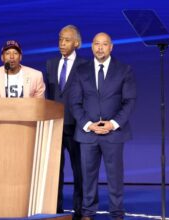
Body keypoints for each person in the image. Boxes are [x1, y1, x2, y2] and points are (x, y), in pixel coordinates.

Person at [69, 32, 137, 220]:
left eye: (104, 44)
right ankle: (88, 212)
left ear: (111, 47)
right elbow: (75, 102)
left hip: (113, 133)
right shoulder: (81, 71)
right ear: (92, 47)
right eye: (97, 44)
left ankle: (116, 213)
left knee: (115, 177)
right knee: (87, 177)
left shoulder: (124, 70)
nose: (100, 48)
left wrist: (113, 124)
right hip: (88, 133)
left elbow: (129, 101)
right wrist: (88, 125)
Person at [45, 25, 86, 220]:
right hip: (55, 126)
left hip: (76, 126)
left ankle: (80, 210)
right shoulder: (51, 64)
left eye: (67, 40)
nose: (62, 43)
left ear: (76, 43)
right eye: (60, 39)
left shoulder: (85, 66)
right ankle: (56, 210)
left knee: (79, 171)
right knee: (55, 171)